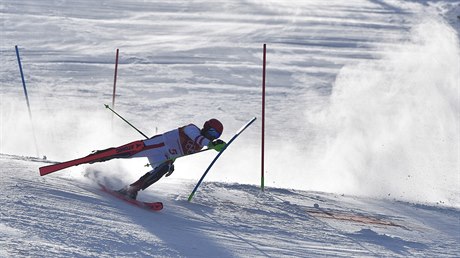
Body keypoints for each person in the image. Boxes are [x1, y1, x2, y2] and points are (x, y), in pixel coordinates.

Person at [117, 118, 226, 199]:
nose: (213, 136)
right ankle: (101, 157)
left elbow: (177, 152)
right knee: (125, 153)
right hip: (156, 146)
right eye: (212, 132)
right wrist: (211, 144)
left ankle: (132, 189)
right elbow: (198, 138)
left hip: (162, 156)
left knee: (164, 168)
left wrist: (171, 163)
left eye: (216, 136)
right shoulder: (192, 129)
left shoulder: (199, 146)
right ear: (206, 127)